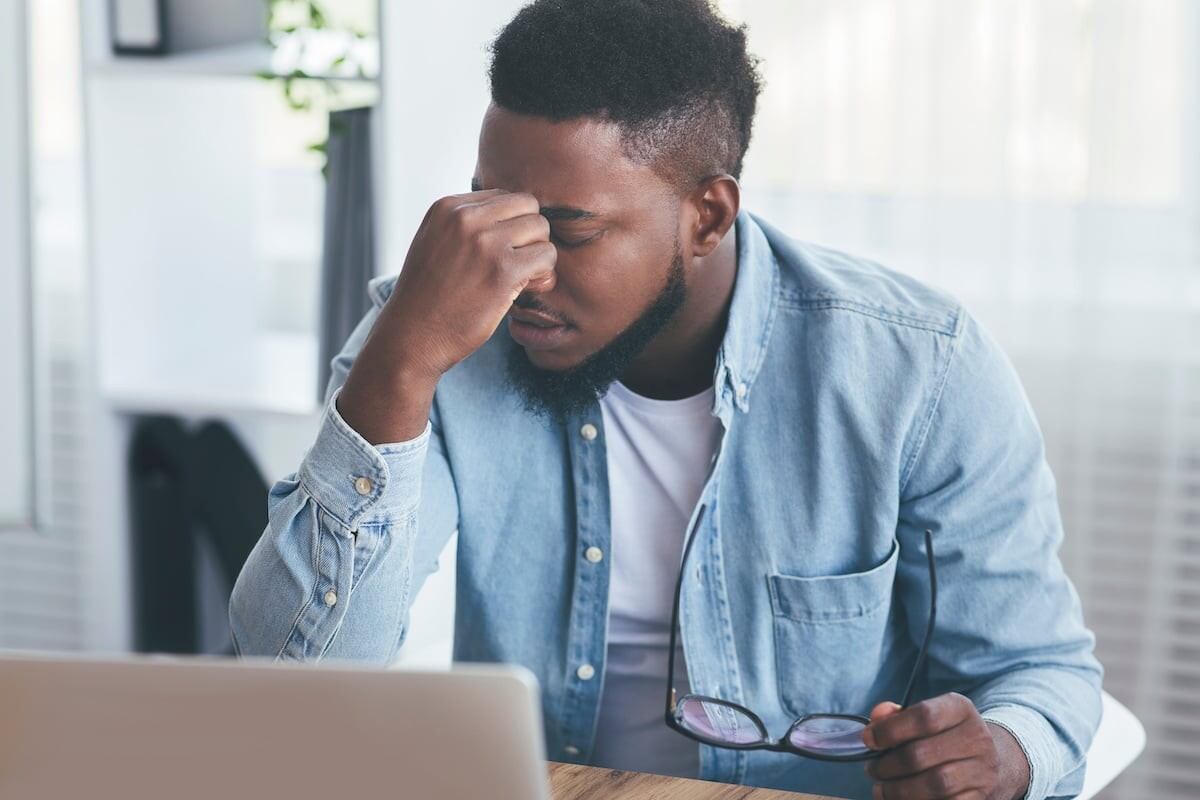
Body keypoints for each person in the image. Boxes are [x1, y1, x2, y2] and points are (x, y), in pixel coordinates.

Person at [230, 2, 1102, 798]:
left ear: (708, 217)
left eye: (568, 231)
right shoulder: (428, 329)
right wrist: (403, 366)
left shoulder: (916, 367)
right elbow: (286, 682)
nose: (522, 270)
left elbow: (1040, 673)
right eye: (497, 209)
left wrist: (1003, 753)